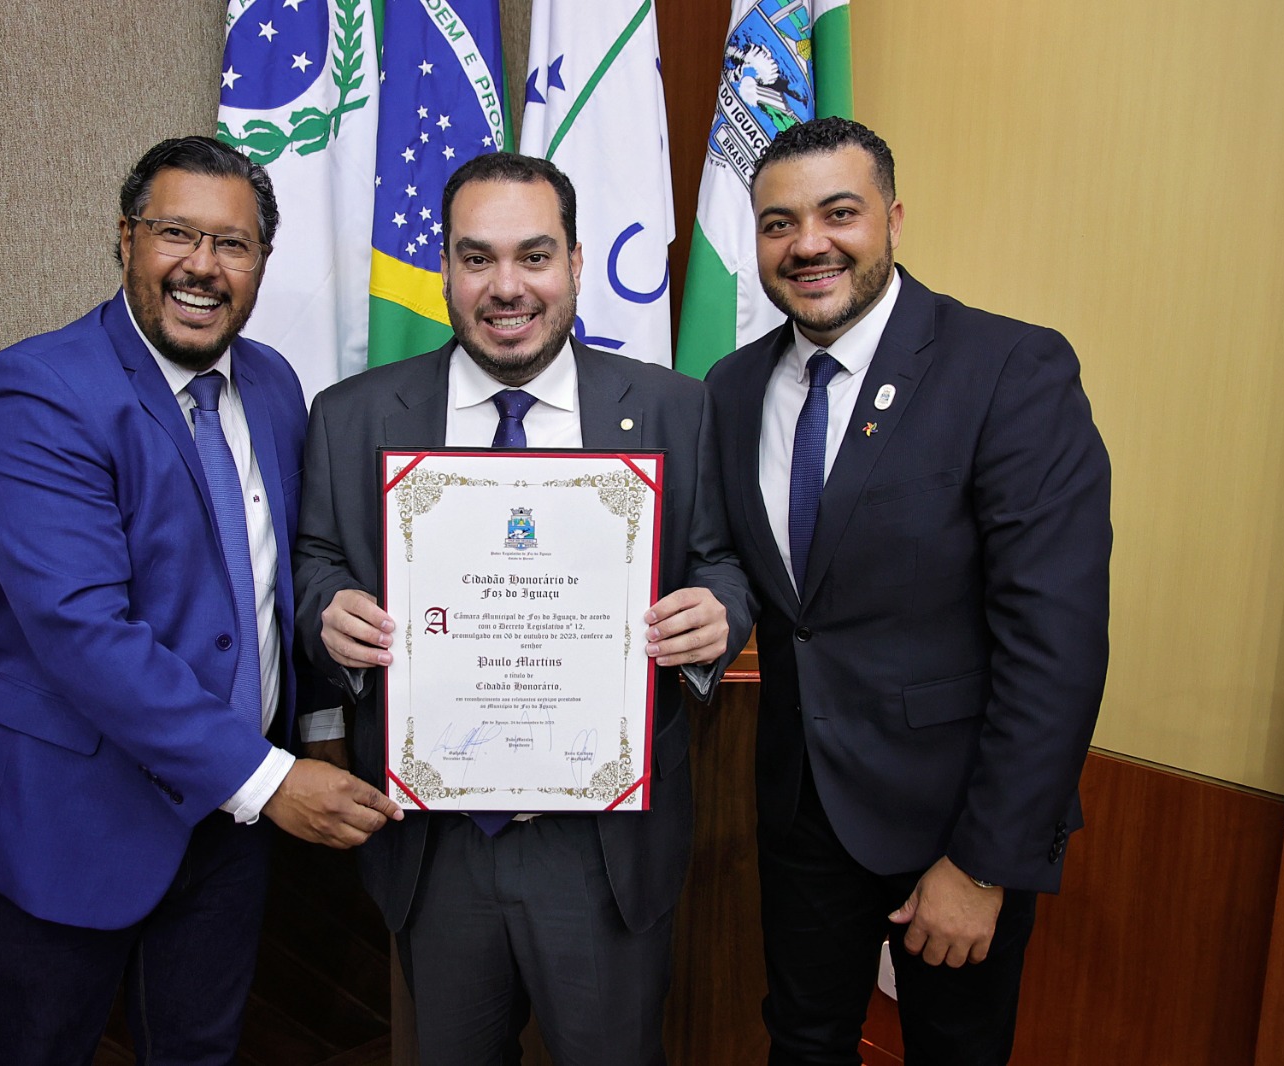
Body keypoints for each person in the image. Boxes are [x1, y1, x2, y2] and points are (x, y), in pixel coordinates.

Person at [0, 136, 401, 1065]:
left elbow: (278, 576)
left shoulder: (270, 383)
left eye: (234, 244)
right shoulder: (38, 390)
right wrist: (267, 780)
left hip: (228, 829)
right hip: (68, 814)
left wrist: (321, 725)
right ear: (125, 238)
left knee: (198, 1052)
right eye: (176, 233)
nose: (202, 266)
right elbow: (82, 631)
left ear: (261, 261)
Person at [293, 152, 754, 1065]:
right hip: (433, 841)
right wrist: (327, 612)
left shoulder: (674, 408)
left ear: (577, 263)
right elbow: (314, 559)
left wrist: (719, 616)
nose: (507, 287)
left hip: (605, 845)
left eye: (535, 256)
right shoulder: (351, 415)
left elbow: (723, 563)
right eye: (478, 258)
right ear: (445, 270)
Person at [704, 116, 1111, 1065]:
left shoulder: (1009, 369)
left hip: (955, 825)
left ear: (891, 218)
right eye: (778, 223)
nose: (809, 244)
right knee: (802, 1043)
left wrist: (983, 864)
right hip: (802, 812)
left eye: (838, 213)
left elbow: (1055, 644)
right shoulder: (728, 390)